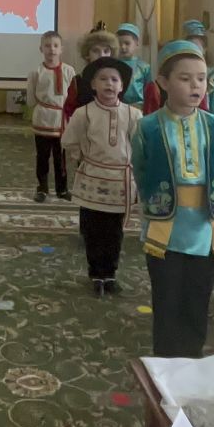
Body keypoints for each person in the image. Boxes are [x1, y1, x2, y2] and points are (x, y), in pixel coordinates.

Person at [130, 40, 214, 358]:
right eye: (185, 78)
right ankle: (166, 361)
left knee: (198, 297)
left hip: (204, 227)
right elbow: (141, 168)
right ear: (163, 81)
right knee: (167, 298)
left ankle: (193, 357)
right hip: (166, 227)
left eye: (201, 78)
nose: (195, 85)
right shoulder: (148, 126)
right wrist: (157, 203)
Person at [62, 56, 142, 296]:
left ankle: (110, 273)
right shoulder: (83, 113)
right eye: (103, 79)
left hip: (120, 183)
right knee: (92, 229)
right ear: (93, 85)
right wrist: (84, 159)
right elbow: (70, 141)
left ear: (122, 86)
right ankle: (96, 273)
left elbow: (140, 146)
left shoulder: (133, 114)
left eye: (114, 80)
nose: (109, 84)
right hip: (92, 180)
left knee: (114, 231)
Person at [27, 30, 76, 202]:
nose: (52, 49)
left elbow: (73, 95)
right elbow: (31, 98)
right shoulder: (36, 72)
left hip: (62, 121)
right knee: (42, 156)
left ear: (61, 49)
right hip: (43, 119)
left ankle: (62, 189)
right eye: (47, 46)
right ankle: (42, 188)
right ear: (41, 49)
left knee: (60, 158)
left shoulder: (69, 71)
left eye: (55, 46)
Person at [64, 26, 118, 126]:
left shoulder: (117, 81)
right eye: (96, 51)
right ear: (87, 54)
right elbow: (69, 112)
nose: (101, 55)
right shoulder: (78, 82)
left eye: (106, 51)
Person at [180, 20, 214, 114]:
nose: (193, 53)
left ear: (204, 50)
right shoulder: (178, 73)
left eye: (196, 48)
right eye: (189, 48)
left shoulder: (213, 75)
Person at [115, 23, 155, 108]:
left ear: (136, 43)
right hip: (117, 106)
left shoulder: (144, 67)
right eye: (119, 44)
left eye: (127, 43)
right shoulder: (113, 65)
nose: (123, 47)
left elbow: (149, 91)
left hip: (139, 107)